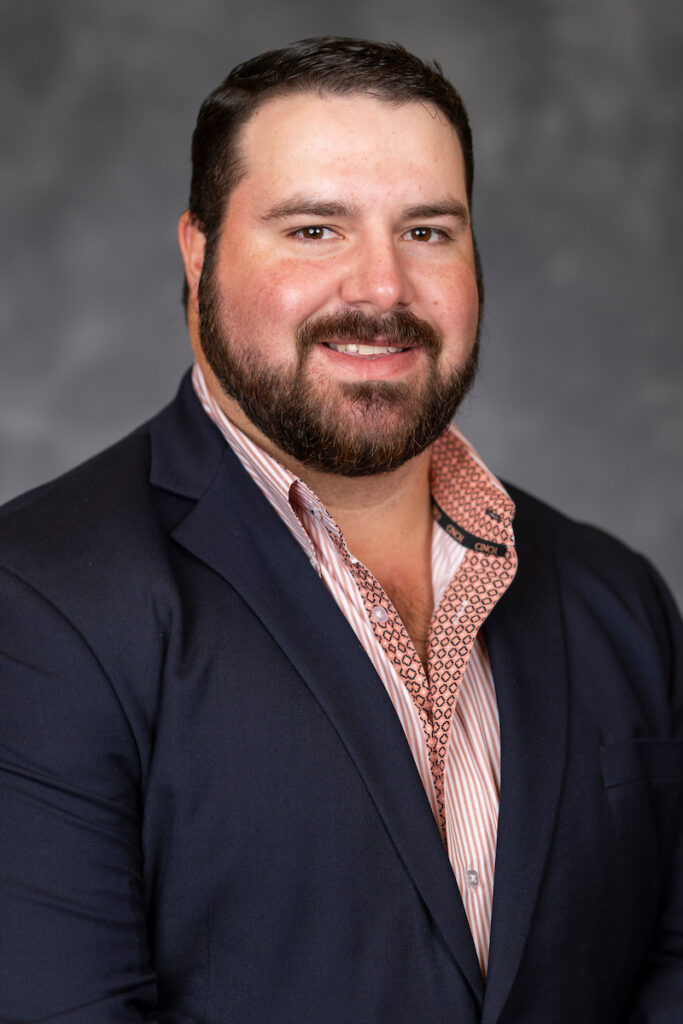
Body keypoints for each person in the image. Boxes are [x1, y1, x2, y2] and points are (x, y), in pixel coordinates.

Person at [0, 36, 681, 1024]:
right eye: (315, 230)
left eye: (428, 231)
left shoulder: (613, 596)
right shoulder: (40, 605)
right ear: (199, 254)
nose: (381, 289)